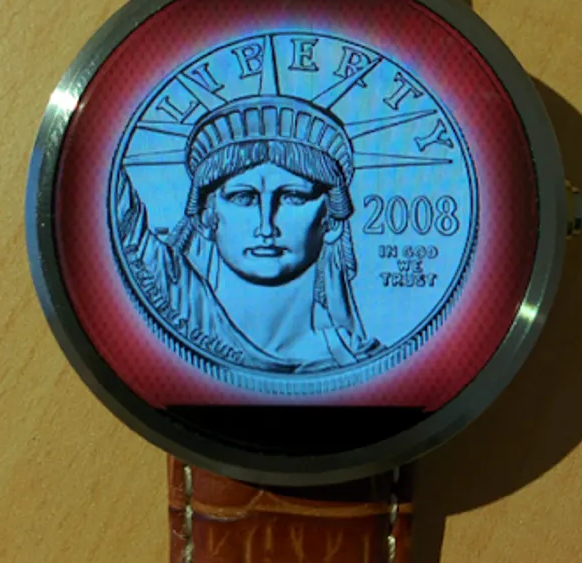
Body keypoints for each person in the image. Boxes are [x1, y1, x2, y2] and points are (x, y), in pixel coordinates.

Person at [115, 95, 383, 373]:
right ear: (206, 218)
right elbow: (106, 185)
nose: (266, 226)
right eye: (243, 197)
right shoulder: (181, 308)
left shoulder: (367, 365)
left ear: (332, 222)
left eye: (293, 196)